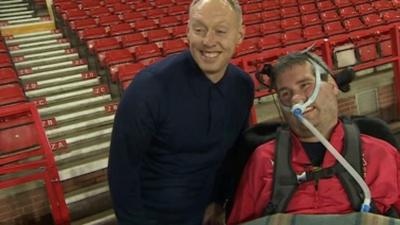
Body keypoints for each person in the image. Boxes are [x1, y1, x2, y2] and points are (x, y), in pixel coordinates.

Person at [107, 0, 254, 224]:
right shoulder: (148, 89)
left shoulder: (243, 86)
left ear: (240, 35)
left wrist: (220, 202)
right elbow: (122, 172)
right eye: (199, 29)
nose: (208, 41)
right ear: (187, 31)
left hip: (209, 213)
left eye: (221, 31)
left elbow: (233, 154)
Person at [227, 52, 400, 225]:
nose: (296, 99)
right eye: (285, 93)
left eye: (305, 85)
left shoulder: (381, 154)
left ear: (332, 85)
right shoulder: (262, 160)